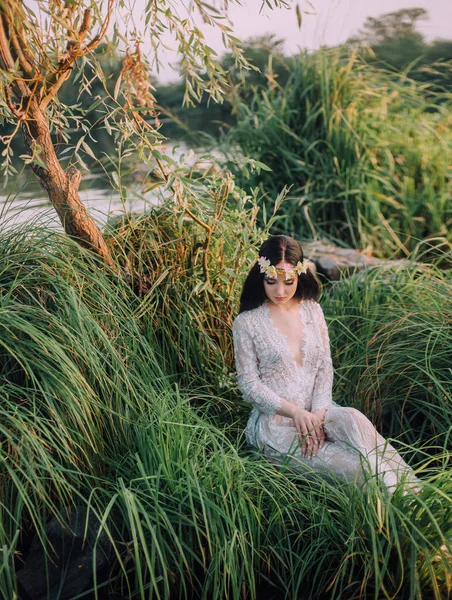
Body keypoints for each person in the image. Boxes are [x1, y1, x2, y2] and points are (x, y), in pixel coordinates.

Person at [232, 234, 420, 494]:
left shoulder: (311, 309)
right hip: (277, 425)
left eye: (289, 282)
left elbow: (324, 366)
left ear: (299, 275)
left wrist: (318, 415)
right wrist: (297, 414)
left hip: (320, 411)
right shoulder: (247, 322)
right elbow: (249, 385)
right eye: (271, 281)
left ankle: (417, 494)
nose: (280, 291)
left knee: (353, 419)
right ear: (261, 275)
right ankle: (395, 505)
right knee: (363, 470)